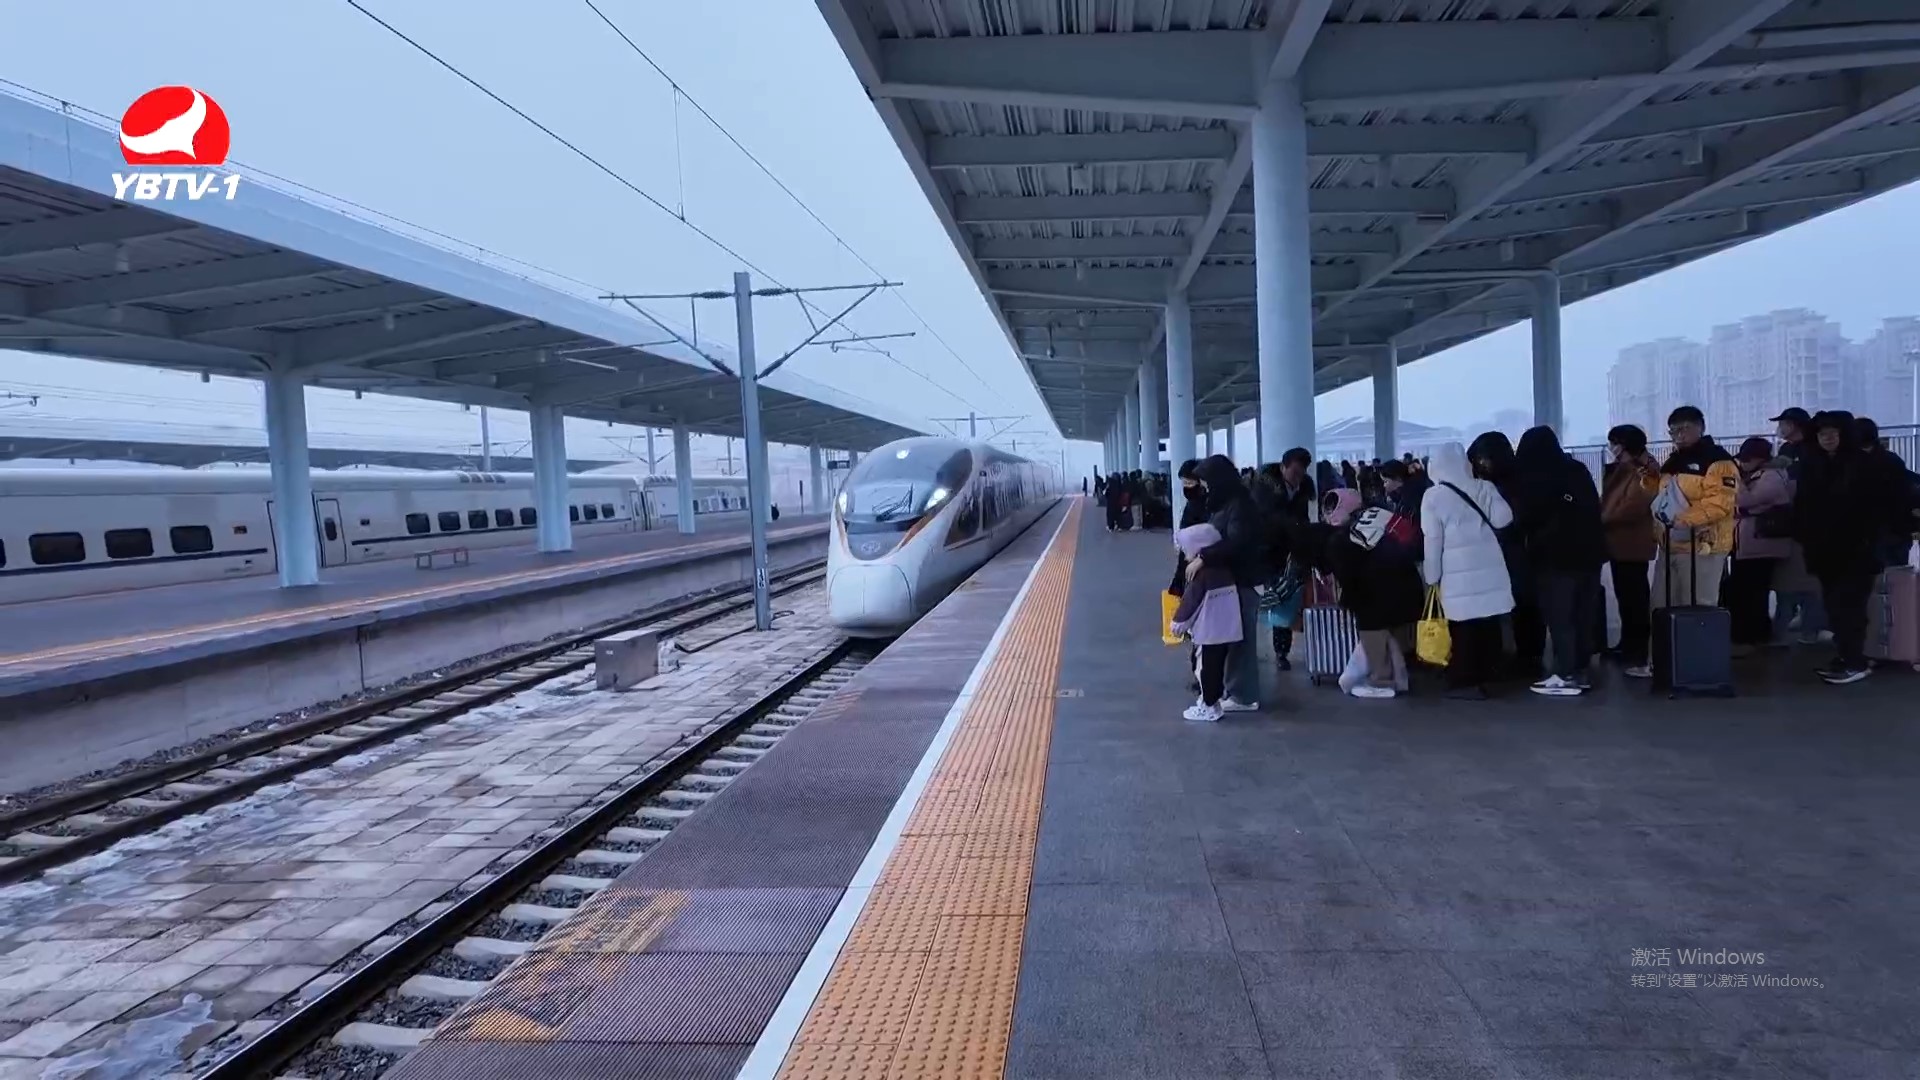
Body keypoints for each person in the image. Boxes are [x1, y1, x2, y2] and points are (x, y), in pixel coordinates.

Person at [1794, 411, 1890, 684]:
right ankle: (1846, 656)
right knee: (1835, 607)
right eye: (1822, 433)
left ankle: (1855, 661)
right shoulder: (1813, 464)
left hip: (1857, 550)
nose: (1827, 438)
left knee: (1850, 607)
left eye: (1833, 433)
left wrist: (1868, 539)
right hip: (1824, 551)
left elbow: (1878, 507)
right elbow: (1803, 505)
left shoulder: (1864, 465)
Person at [1511, 426, 1606, 696]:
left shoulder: (1536, 475)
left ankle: (1566, 674)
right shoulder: (1577, 470)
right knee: (1583, 615)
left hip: (1554, 558)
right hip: (1590, 556)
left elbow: (1526, 517)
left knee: (1560, 617)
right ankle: (1580, 670)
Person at [1421, 442, 1516, 700]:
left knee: (1463, 627)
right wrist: (1486, 494)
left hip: (1457, 572)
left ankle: (1465, 681)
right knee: (1488, 619)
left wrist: (1432, 576)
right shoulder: (1484, 487)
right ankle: (1491, 672)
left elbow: (1433, 540)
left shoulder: (1433, 497)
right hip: (1489, 566)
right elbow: (1504, 519)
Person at [1642, 406, 1738, 631]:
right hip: (1670, 545)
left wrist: (1683, 520)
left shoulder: (1718, 461)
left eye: (1684, 429)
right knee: (1662, 607)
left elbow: (1720, 503)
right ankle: (1665, 653)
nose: (1678, 436)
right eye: (1673, 431)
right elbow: (1663, 496)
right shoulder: (1673, 462)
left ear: (1701, 428)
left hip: (1703, 547)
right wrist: (1650, 479)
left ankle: (1699, 653)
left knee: (1697, 609)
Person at [1322, 489, 1423, 699]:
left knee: (1373, 632)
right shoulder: (1379, 514)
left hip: (1377, 595)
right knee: (1390, 635)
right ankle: (1399, 678)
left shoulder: (1341, 537)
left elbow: (1349, 575)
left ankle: (1381, 682)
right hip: (1409, 587)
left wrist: (1348, 600)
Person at [1188, 455, 1265, 710]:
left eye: (1206, 482)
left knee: (1241, 641)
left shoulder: (1240, 506)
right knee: (1233, 638)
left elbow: (1237, 542)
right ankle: (1235, 691)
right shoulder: (1226, 503)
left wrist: (1204, 557)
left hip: (1243, 579)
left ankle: (1244, 696)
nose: (1204, 487)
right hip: (1231, 580)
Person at [1469, 431, 1544, 679]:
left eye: (1482, 459)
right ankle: (1527, 655)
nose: (1480, 466)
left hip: (1516, 553)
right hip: (1520, 553)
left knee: (1522, 604)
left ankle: (1526, 657)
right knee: (1523, 606)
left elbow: (1512, 521)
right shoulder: (1518, 478)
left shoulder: (1506, 485)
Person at [1170, 522, 1243, 723]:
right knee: (1216, 668)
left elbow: (1191, 603)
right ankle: (1213, 703)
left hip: (1209, 632)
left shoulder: (1202, 575)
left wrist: (1178, 624)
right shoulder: (1225, 570)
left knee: (1204, 669)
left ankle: (1208, 706)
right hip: (1226, 630)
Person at [1600, 425, 1659, 675]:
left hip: (1632, 541)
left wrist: (1602, 519)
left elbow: (1633, 505)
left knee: (1634, 598)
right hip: (1620, 541)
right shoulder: (1624, 467)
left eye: (1614, 443)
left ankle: (1636, 648)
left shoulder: (1645, 470)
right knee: (1626, 596)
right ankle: (1627, 643)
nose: (1611, 447)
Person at [1728, 436, 1794, 656]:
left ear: (1760, 459)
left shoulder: (1772, 476)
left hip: (1761, 545)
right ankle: (1753, 635)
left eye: (1748, 459)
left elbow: (1744, 501)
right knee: (1747, 591)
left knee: (1752, 592)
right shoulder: (1758, 475)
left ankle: (1752, 636)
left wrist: (1736, 481)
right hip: (1749, 544)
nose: (1743, 463)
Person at [1254, 449, 1315, 669]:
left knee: (1286, 599)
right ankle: (1263, 650)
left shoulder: (1303, 489)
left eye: (1302, 473)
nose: (1298, 478)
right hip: (1266, 551)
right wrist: (1294, 526)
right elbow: (1268, 519)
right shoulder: (1264, 488)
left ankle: (1282, 651)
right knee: (1269, 599)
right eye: (1294, 472)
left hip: (1292, 552)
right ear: (1283, 467)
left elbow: (1302, 518)